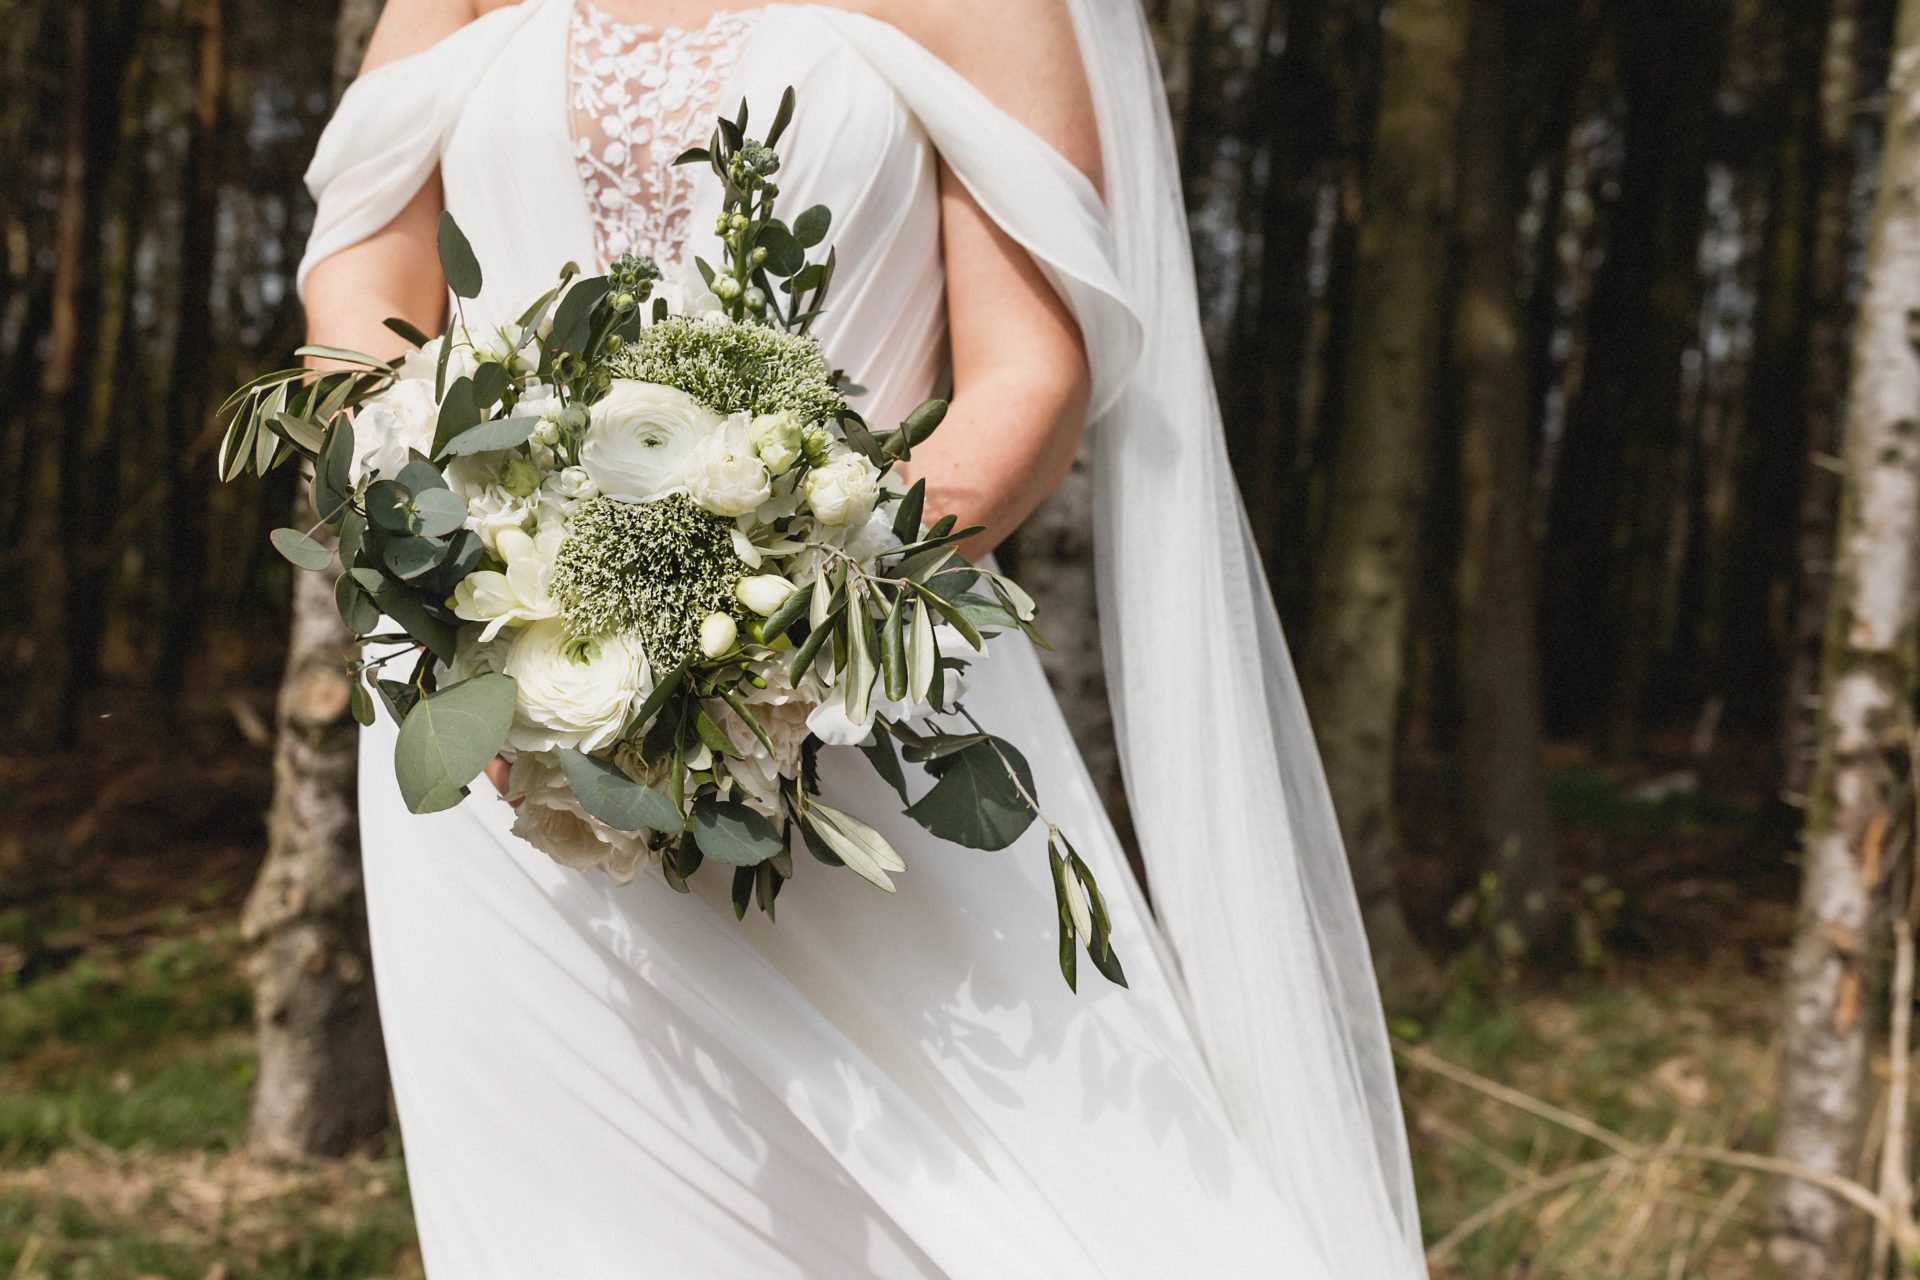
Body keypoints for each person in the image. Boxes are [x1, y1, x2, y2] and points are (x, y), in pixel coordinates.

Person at [299, 1, 1429, 1274]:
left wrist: (790, 601)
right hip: (499, 710)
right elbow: (364, 281)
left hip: (855, 713)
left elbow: (1027, 373)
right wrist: (446, 559)